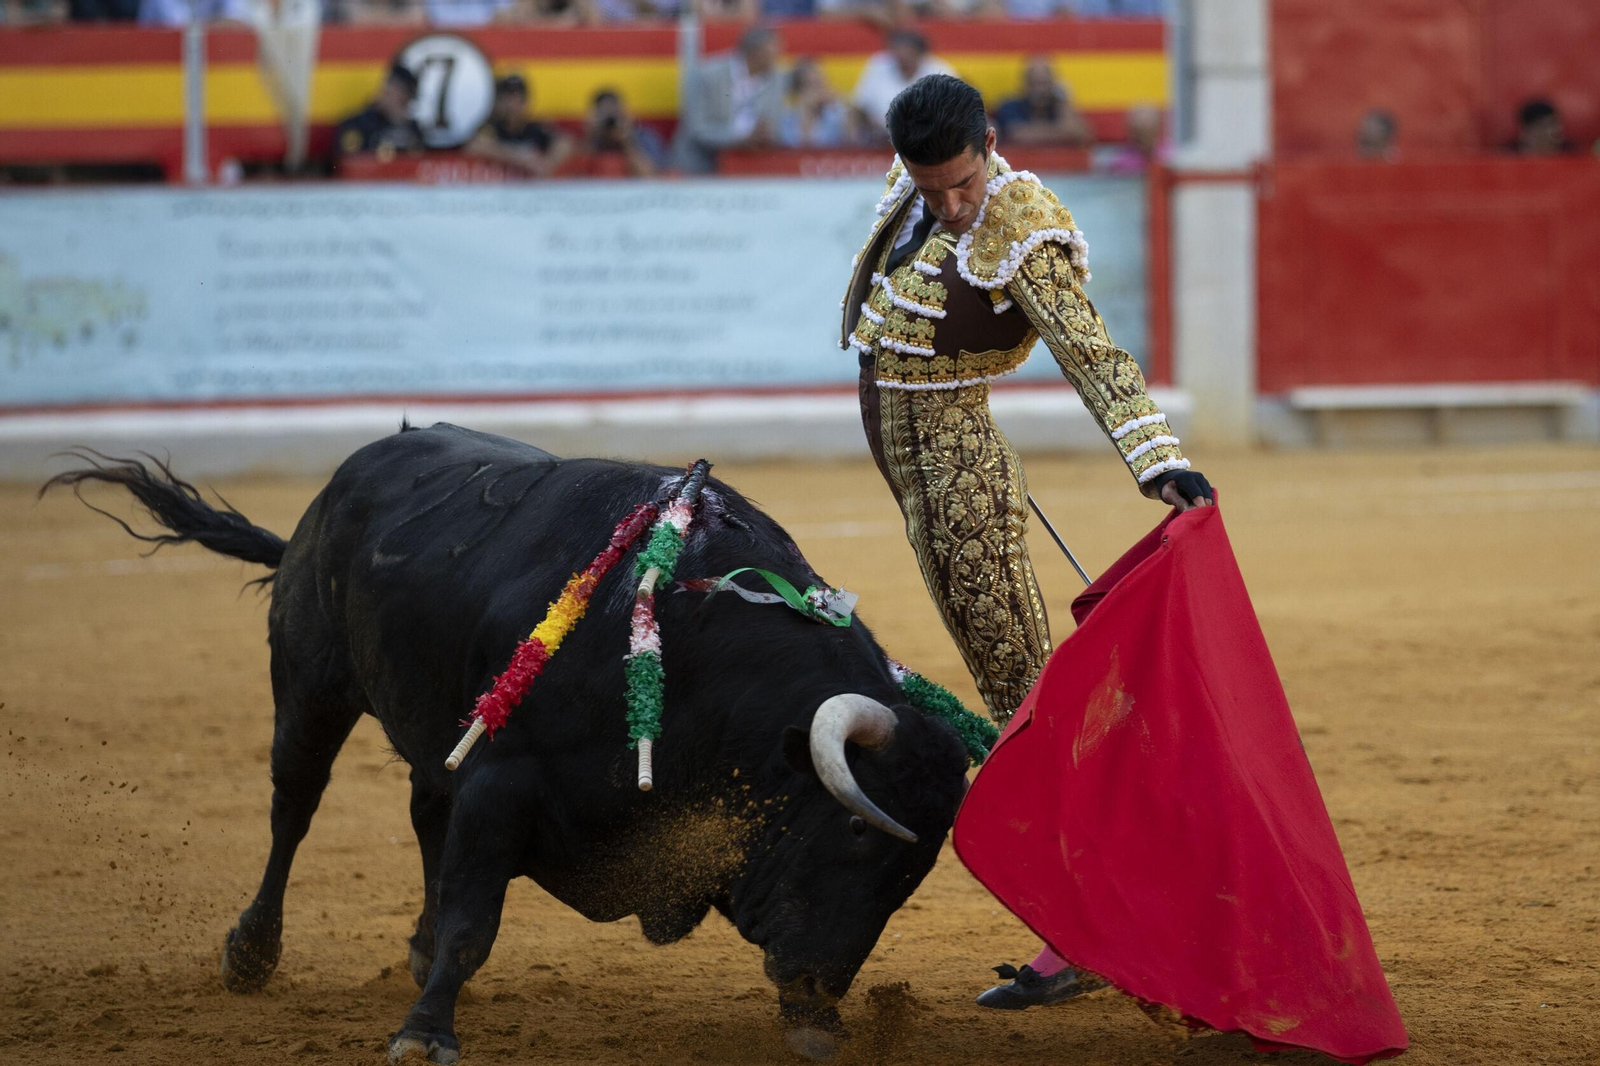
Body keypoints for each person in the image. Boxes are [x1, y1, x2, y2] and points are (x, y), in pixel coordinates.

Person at [838, 74, 1213, 1007]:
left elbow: (1090, 349)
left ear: (992, 143)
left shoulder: (1022, 227)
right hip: (926, 484)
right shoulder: (924, 181)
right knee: (1025, 697)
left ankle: (1095, 923)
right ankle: (1102, 904)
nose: (951, 206)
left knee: (1027, 706)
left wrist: (1155, 459)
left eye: (962, 184)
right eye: (932, 190)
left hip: (965, 484)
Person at [672, 26, 786, 173]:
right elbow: (696, 129)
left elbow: (774, 126)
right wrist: (739, 139)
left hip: (750, 167)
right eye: (773, 48)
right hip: (700, 166)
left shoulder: (776, 79)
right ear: (754, 51)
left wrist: (766, 134)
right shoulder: (707, 75)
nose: (779, 54)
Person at [850, 29, 953, 141]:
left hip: (929, 142)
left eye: (909, 53)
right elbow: (857, 106)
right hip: (878, 139)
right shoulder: (878, 64)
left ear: (921, 53)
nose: (903, 57)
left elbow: (953, 113)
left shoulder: (940, 71)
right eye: (898, 53)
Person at [465, 74, 572, 177]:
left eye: (517, 99)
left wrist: (546, 164)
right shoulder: (492, 127)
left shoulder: (534, 128)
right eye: (507, 99)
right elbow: (476, 145)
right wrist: (520, 158)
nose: (511, 105)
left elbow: (565, 143)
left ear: (525, 102)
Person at [333, 63, 426, 161]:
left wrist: (398, 120)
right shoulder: (358, 125)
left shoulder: (413, 129)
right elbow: (349, 163)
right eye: (392, 90)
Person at [993, 57, 1092, 146]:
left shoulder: (1058, 106)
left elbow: (1081, 135)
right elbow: (1018, 135)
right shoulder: (1010, 106)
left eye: (1044, 83)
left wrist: (1063, 100)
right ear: (1024, 85)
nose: (1040, 90)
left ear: (1052, 85)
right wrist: (1062, 132)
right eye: (1034, 83)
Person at [583, 89, 667, 176]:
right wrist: (591, 135)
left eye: (614, 114)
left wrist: (626, 142)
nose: (610, 122)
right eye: (604, 114)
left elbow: (652, 176)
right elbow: (577, 175)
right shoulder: (591, 139)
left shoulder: (645, 137)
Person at [780, 57, 856, 148]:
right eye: (811, 85)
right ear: (799, 90)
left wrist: (844, 105)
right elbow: (802, 149)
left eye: (820, 84)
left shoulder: (835, 111)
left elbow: (853, 144)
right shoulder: (789, 116)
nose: (818, 92)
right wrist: (808, 112)